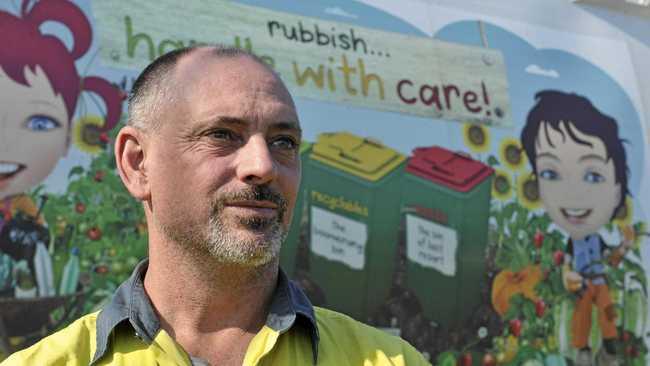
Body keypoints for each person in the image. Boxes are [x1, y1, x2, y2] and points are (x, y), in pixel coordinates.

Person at [2, 45, 429, 365]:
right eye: (223, 135)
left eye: (284, 142)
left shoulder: (387, 360)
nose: (263, 166)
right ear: (137, 163)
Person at [0, 0, 122, 296]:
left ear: (67, 138)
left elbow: (38, 235)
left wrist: (34, 231)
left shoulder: (20, 205)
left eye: (40, 123)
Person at [520, 90, 633, 366]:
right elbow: (566, 264)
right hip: (582, 285)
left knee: (607, 312)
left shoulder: (597, 239)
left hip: (598, 282)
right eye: (550, 173)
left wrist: (625, 246)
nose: (573, 194)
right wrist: (568, 275)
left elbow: (612, 260)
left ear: (618, 191)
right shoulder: (572, 242)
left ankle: (608, 348)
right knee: (581, 315)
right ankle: (581, 350)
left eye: (593, 175)